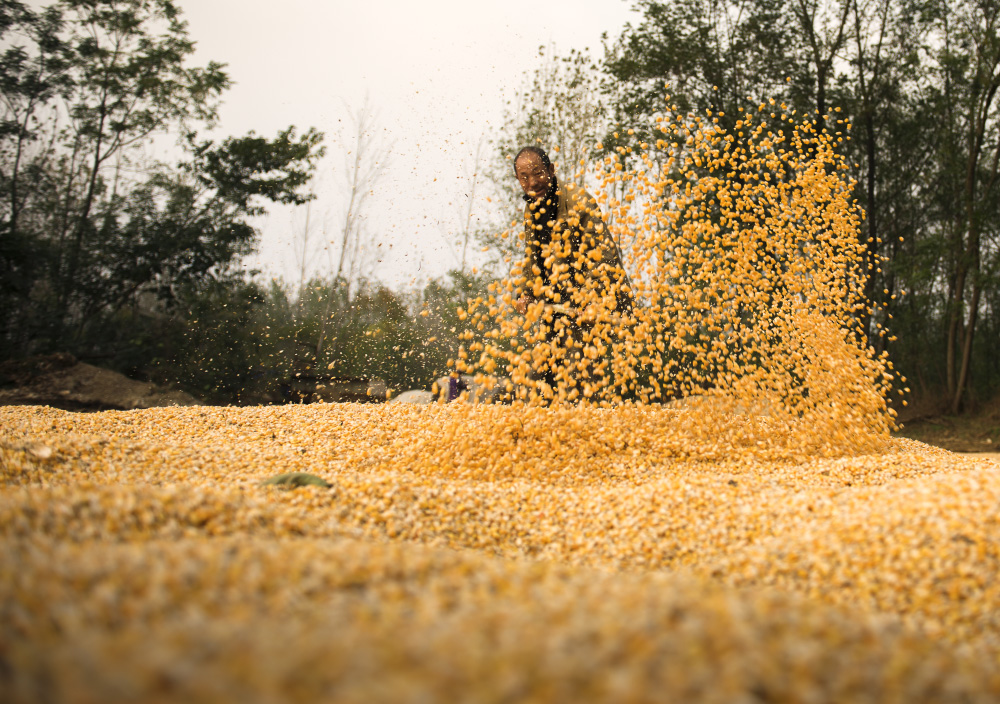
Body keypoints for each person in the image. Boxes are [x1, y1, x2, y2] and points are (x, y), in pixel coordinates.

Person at [510, 146, 633, 402]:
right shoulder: (531, 211)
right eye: (524, 177)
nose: (532, 182)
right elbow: (533, 259)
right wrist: (525, 292)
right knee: (543, 376)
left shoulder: (579, 201)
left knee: (583, 378)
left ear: (552, 171)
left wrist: (593, 301)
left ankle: (593, 430)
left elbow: (605, 260)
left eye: (537, 173)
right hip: (556, 306)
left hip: (592, 304)